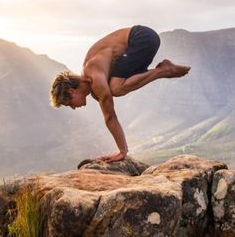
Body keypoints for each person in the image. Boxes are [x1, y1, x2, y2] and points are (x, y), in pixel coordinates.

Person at [50, 25, 190, 163]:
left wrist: (122, 152)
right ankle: (162, 69)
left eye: (68, 104)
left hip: (142, 38)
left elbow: (110, 117)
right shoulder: (93, 83)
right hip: (144, 40)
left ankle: (163, 70)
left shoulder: (94, 76)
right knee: (114, 87)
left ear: (72, 91)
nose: (73, 108)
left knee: (116, 88)